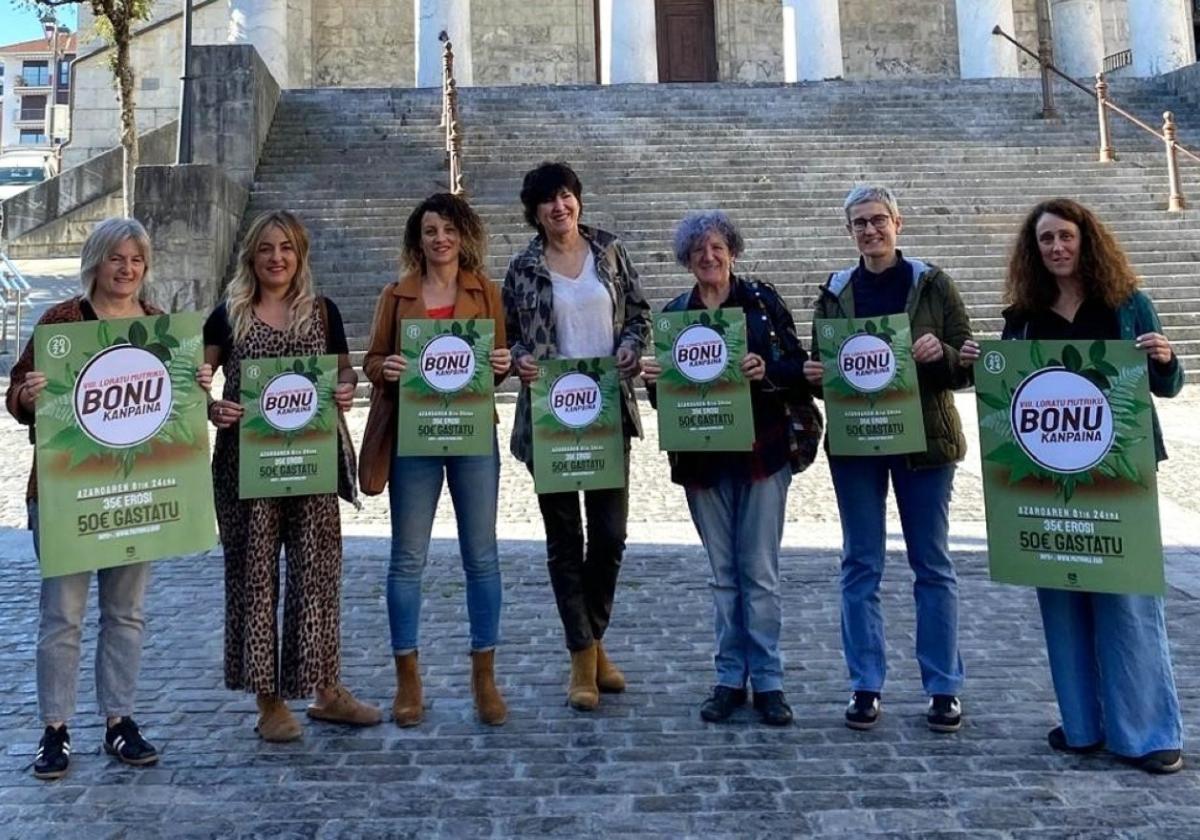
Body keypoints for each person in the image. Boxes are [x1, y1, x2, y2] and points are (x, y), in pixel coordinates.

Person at [964, 197, 1184, 773]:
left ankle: (1148, 733)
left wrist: (1164, 356)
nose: (1057, 248)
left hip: (1119, 472)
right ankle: (1083, 726)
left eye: (1065, 236)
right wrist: (978, 361)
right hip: (1045, 475)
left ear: (1086, 239)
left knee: (1128, 596)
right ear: (1033, 251)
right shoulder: (1024, 315)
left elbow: (1166, 384)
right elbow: (1005, 388)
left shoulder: (1128, 304)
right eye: (1045, 240)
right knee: (1060, 596)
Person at [7, 217, 213, 780]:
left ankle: (119, 721)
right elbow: (18, 395)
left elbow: (175, 413)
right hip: (67, 492)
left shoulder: (160, 328)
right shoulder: (61, 322)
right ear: (96, 261)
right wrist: (26, 396)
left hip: (138, 492)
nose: (126, 270)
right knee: (62, 616)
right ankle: (55, 728)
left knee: (126, 613)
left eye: (137, 261)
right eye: (116, 258)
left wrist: (196, 387)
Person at [803, 185, 974, 733]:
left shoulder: (933, 283)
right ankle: (865, 683)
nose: (870, 230)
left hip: (925, 442)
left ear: (898, 222)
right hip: (858, 444)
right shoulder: (835, 291)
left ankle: (943, 686)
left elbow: (967, 364)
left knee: (932, 563)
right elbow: (825, 368)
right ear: (848, 231)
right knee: (860, 564)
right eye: (859, 223)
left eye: (878, 220)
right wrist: (816, 376)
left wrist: (942, 353)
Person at [205, 210, 380, 741]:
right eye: (265, 249)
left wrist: (346, 388)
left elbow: (343, 370)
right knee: (254, 578)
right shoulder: (228, 314)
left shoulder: (322, 313)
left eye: (285, 248)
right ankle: (269, 702)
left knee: (318, 576)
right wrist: (213, 408)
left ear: (299, 254)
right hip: (245, 467)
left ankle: (326, 690)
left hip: (312, 460)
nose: (276, 258)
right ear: (251, 257)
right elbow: (198, 379)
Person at [641, 211, 807, 726]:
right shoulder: (676, 314)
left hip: (762, 451)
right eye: (697, 252)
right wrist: (653, 380)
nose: (708, 258)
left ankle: (771, 681)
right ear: (687, 261)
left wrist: (767, 370)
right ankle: (729, 678)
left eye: (716, 248)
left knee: (760, 571)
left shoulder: (760, 303)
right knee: (723, 574)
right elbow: (666, 398)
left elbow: (799, 367)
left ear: (731, 251)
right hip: (703, 458)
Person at [502, 161, 650, 711]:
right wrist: (519, 360)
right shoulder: (521, 268)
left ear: (577, 201)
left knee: (610, 535)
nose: (558, 208)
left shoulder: (610, 251)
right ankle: (582, 658)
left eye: (565, 197)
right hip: (550, 417)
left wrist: (633, 345)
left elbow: (638, 313)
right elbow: (510, 337)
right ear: (535, 213)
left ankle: (592, 642)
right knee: (565, 540)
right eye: (547, 201)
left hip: (607, 409)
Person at [362, 193, 511, 727]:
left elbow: (498, 365)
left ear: (463, 235)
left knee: (482, 556)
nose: (440, 239)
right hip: (413, 437)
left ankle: (484, 675)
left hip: (472, 435)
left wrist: (501, 362)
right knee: (407, 558)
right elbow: (372, 360)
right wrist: (389, 368)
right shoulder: (396, 296)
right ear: (417, 240)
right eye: (430, 231)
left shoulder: (486, 292)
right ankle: (408, 677)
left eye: (448, 229)